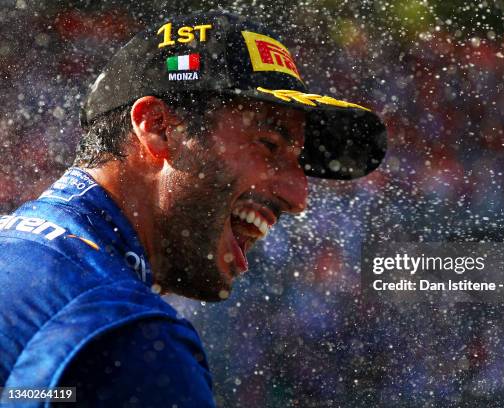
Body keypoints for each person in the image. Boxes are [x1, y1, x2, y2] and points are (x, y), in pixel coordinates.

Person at [0, 10, 386, 407]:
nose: (298, 197)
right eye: (268, 145)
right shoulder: (128, 341)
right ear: (158, 128)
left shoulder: (20, 251)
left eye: (298, 161)